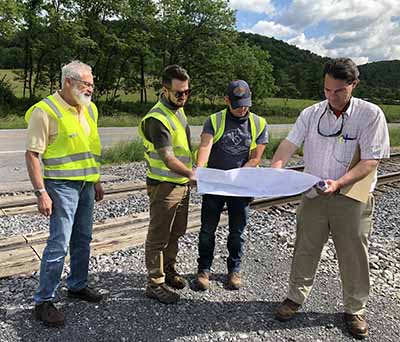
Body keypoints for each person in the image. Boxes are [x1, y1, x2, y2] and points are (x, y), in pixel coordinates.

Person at [271, 58, 390, 339]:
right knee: (305, 248)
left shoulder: (370, 115)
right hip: (314, 195)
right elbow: (290, 143)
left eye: (338, 91)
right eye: (326, 90)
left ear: (353, 85)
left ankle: (355, 308)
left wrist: (338, 183)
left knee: (353, 255)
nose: (331, 96)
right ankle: (294, 298)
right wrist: (277, 165)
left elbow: (371, 162)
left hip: (351, 197)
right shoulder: (312, 114)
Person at [25, 60, 104, 327]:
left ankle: (77, 285)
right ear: (68, 82)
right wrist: (41, 193)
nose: (91, 89)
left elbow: (90, 149)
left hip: (85, 185)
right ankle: (44, 300)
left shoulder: (90, 109)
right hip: (60, 186)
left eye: (92, 84)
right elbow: (33, 155)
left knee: (83, 238)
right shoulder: (45, 111)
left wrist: (96, 180)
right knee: (59, 242)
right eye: (86, 84)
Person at [195, 80, 268, 290]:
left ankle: (234, 270)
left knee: (237, 232)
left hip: (240, 186)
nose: (242, 108)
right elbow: (205, 146)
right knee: (207, 230)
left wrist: (240, 173)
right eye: (237, 104)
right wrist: (200, 170)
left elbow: (256, 158)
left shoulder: (259, 123)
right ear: (226, 100)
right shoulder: (214, 120)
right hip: (215, 185)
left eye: (245, 103)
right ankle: (204, 269)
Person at [138, 64, 195, 304]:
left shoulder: (178, 110)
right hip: (164, 185)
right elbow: (169, 158)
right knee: (158, 236)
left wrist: (189, 176)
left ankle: (169, 271)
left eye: (187, 92)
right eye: (179, 93)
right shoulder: (157, 119)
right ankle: (155, 283)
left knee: (176, 233)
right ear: (164, 90)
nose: (184, 97)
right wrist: (194, 175)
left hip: (180, 184)